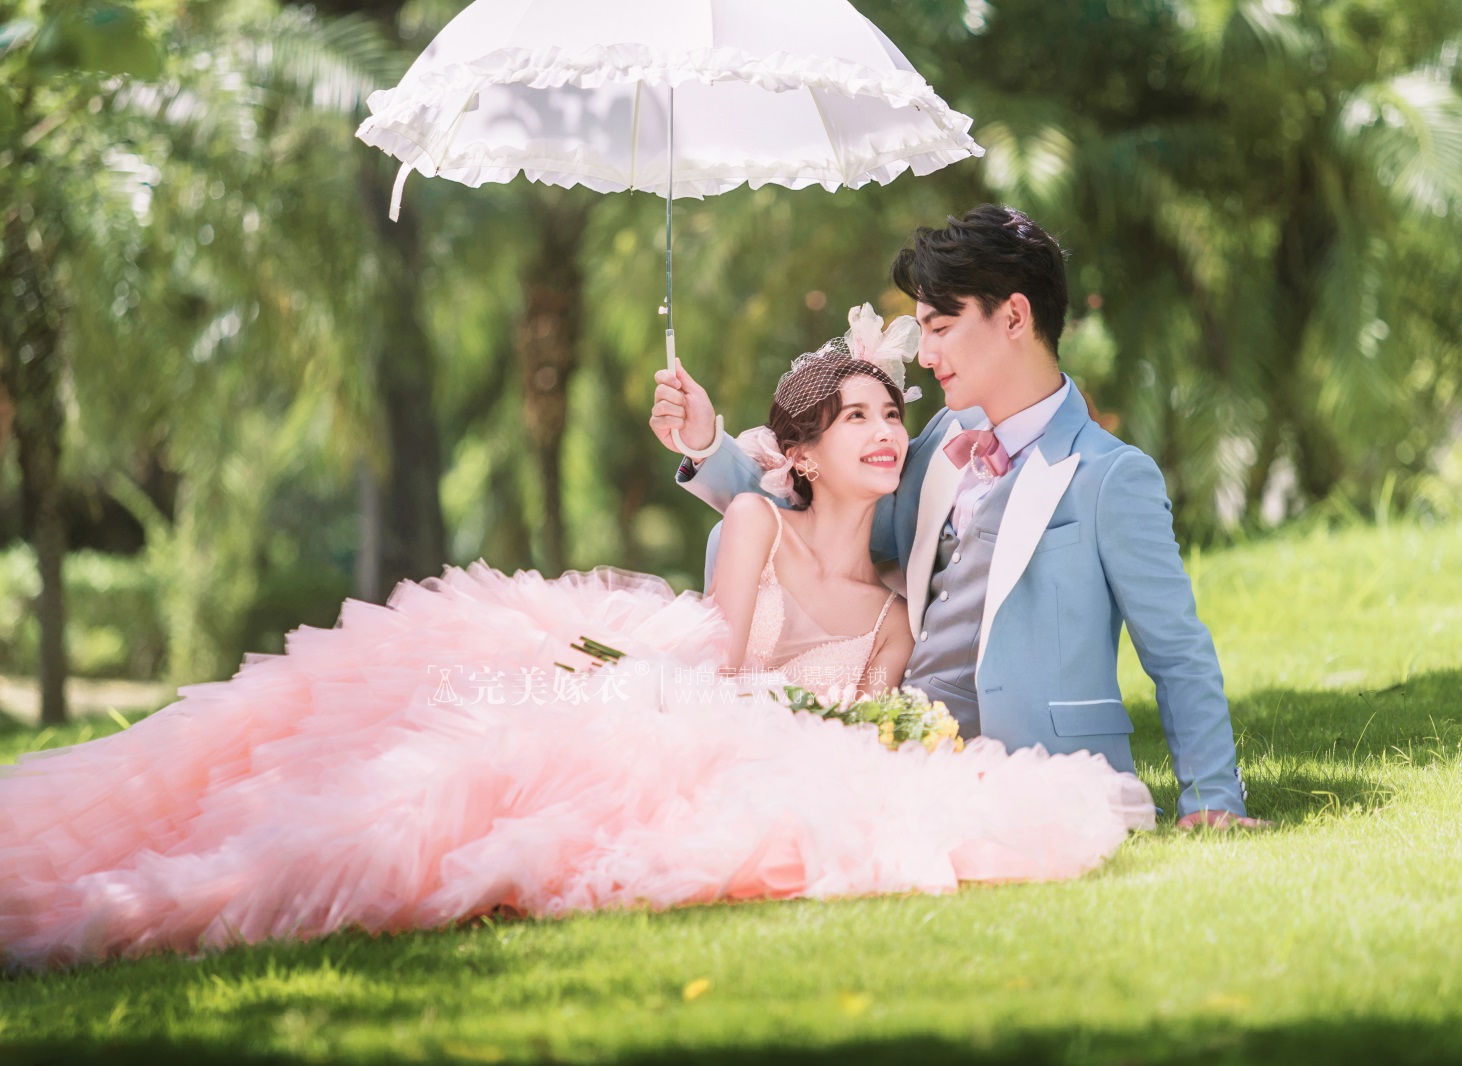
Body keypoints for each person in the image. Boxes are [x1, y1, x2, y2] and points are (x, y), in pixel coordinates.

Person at [0, 306, 1153, 972]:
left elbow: (859, 721)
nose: (885, 430)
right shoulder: (755, 519)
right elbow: (721, 663)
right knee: (450, 773)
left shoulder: (896, 605)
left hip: (772, 748)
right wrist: (707, 448)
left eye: (891, 412)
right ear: (798, 452)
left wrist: (852, 725)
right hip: (683, 711)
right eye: (854, 416)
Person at [652, 204, 1264, 830]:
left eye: (940, 327)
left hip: (1041, 773)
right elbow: (824, 504)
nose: (924, 355)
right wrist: (706, 446)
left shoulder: (1111, 475)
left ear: (1015, 317)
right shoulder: (948, 436)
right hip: (908, 759)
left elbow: (1176, 652)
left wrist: (1211, 799)